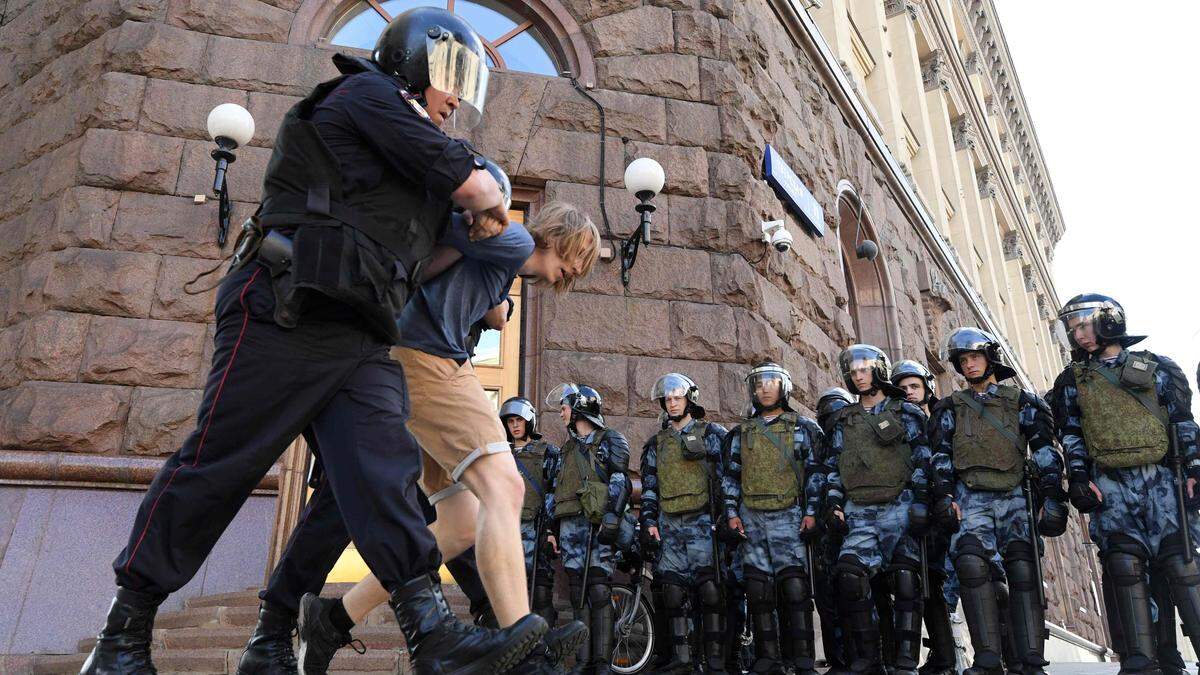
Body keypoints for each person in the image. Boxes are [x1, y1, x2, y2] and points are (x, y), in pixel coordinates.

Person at [78, 7, 549, 675]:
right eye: (450, 77)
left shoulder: (414, 167)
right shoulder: (366, 97)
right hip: (283, 306)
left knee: (383, 478)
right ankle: (122, 638)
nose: (454, 100)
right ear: (416, 66)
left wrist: (482, 215)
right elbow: (478, 187)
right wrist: (483, 194)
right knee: (220, 465)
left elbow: (469, 232)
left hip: (361, 334)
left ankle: (428, 636)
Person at [246, 199, 599, 675]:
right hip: (428, 361)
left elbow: (492, 308)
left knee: (460, 520)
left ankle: (334, 617)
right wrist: (485, 199)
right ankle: (525, 648)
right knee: (505, 486)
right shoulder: (514, 240)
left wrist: (497, 293)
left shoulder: (508, 260)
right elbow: (466, 232)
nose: (574, 272)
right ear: (561, 237)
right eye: (578, 259)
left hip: (414, 362)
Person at [1050, 294, 1200, 675]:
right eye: (1073, 328)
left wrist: (1195, 468)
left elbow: (1182, 421)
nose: (1079, 334)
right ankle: (1140, 662)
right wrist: (1080, 478)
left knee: (1183, 569)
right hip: (1111, 485)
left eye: (1084, 325)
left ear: (1110, 321)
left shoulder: (1158, 368)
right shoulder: (1072, 381)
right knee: (1125, 568)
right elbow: (1072, 434)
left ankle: (1176, 656)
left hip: (1163, 481)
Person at [927, 328, 1066, 675]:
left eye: (974, 357)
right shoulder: (950, 408)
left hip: (1016, 497)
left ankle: (1031, 659)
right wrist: (945, 496)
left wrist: (1053, 497)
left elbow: (1046, 450)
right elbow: (940, 455)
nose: (969, 365)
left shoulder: (1022, 401)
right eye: (963, 361)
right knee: (972, 568)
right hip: (971, 498)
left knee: (1022, 571)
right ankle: (988, 659)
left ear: (990, 359)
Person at [822, 345, 932, 675]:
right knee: (850, 576)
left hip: (900, 505)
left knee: (904, 580)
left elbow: (923, 457)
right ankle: (870, 659)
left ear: (878, 371)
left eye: (864, 370)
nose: (858, 376)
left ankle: (905, 662)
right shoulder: (844, 420)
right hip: (859, 510)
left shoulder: (906, 412)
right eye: (853, 372)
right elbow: (832, 465)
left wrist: (921, 501)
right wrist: (833, 503)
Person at [722, 363, 825, 675]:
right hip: (751, 519)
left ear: (784, 387)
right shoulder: (741, 433)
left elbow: (815, 474)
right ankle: (769, 658)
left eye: (771, 382)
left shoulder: (803, 428)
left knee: (794, 589)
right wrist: (731, 514)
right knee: (758, 591)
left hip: (789, 516)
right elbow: (731, 477)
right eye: (759, 383)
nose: (765, 388)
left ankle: (804, 659)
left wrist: (811, 513)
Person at [638, 373, 729, 673]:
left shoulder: (712, 434)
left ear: (690, 399)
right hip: (669, 523)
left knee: (710, 592)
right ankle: (682, 658)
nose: (673, 403)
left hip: (703, 521)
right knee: (674, 593)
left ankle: (714, 659)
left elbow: (726, 479)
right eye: (668, 399)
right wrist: (649, 522)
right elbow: (650, 488)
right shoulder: (657, 444)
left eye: (677, 398)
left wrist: (727, 517)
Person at [544, 384, 632, 675]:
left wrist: (612, 517)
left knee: (598, 590)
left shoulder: (610, 440)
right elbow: (555, 492)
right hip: (571, 527)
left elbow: (621, 481)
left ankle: (602, 663)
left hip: (598, 525)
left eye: (564, 408)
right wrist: (551, 530)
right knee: (577, 593)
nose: (561, 414)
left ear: (580, 407)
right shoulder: (565, 450)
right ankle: (582, 662)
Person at [890, 360, 960, 675]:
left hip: (947, 507)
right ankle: (940, 655)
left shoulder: (942, 417)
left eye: (914, 386)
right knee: (920, 581)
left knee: (948, 582)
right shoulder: (896, 419)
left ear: (927, 387)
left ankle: (956, 654)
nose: (909, 393)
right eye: (902, 388)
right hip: (913, 510)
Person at [501, 397, 566, 630]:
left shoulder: (547, 453)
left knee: (540, 592)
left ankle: (545, 647)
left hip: (537, 529)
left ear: (529, 421)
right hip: (506, 531)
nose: (515, 426)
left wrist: (550, 531)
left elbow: (553, 492)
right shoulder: (500, 454)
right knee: (508, 594)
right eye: (510, 421)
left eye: (519, 420)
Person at [814, 388, 855, 675]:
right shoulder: (817, 446)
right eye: (829, 416)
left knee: (856, 595)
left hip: (854, 527)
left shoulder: (856, 441)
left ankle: (867, 657)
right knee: (827, 600)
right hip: (823, 535)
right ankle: (838, 660)